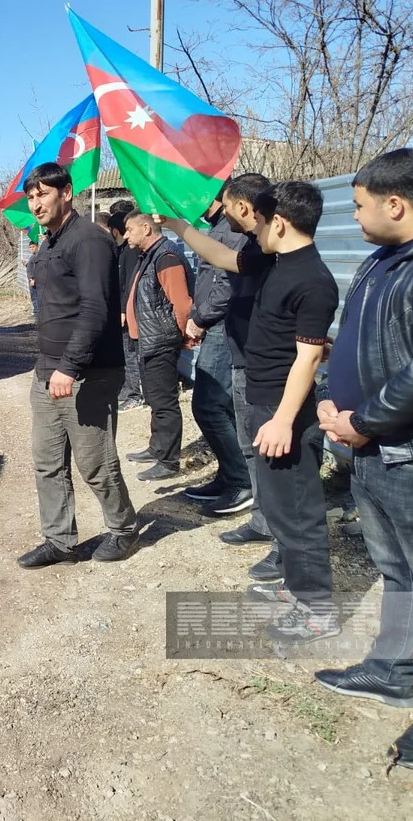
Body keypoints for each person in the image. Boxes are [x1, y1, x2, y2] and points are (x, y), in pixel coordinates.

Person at [313, 149, 413, 770]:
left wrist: (363, 422)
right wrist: (329, 402)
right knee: (397, 569)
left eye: (360, 205)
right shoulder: (379, 260)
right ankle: (393, 669)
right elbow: (352, 340)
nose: (356, 215)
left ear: (396, 204)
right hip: (368, 448)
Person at [163, 180, 340, 643]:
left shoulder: (312, 280)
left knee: (299, 510)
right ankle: (294, 587)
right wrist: (178, 224)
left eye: (258, 222)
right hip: (263, 400)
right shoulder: (271, 259)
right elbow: (223, 257)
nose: (251, 229)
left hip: (285, 411)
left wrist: (283, 420)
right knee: (280, 506)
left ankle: (317, 609)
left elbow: (307, 358)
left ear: (277, 222)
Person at [18, 163, 139, 568]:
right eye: (31, 196)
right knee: (47, 462)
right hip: (47, 371)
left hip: (89, 372)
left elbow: (95, 310)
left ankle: (123, 529)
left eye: (43, 194)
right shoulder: (50, 242)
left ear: (66, 192)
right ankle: (60, 541)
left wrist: (69, 367)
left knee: (95, 462)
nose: (36, 203)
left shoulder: (88, 240)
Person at [213, 174, 276, 553]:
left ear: (242, 206)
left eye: (226, 203)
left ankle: (276, 532)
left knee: (266, 452)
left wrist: (178, 227)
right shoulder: (256, 246)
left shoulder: (271, 250)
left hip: (260, 365)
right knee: (250, 443)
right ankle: (262, 519)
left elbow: (225, 260)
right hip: (244, 359)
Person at [184, 195, 255, 516]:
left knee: (209, 406)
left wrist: (200, 318)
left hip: (224, 326)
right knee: (218, 406)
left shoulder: (232, 230)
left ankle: (241, 482)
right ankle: (230, 476)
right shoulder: (219, 227)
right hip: (216, 325)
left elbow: (227, 283)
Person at [123, 213, 193, 481]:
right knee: (155, 398)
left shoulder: (166, 257)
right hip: (149, 339)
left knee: (164, 402)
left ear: (145, 228)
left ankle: (168, 461)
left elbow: (182, 303)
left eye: (130, 230)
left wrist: (183, 334)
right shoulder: (150, 255)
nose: (126, 235)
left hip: (161, 339)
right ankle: (157, 447)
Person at [107, 201, 143, 411]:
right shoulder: (121, 251)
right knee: (125, 352)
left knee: (131, 353)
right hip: (122, 311)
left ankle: (135, 393)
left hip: (129, 312)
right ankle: (128, 388)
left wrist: (123, 310)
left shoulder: (130, 253)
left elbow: (129, 283)